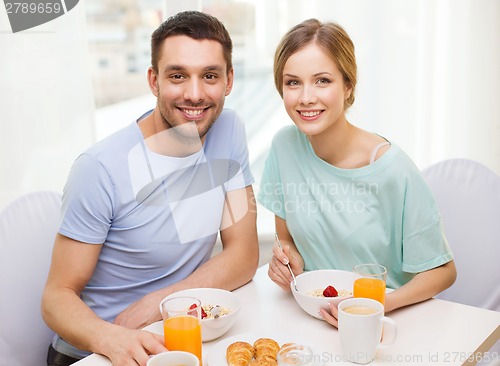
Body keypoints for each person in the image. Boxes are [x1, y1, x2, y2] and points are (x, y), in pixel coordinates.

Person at [42, 11, 259, 366]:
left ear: (229, 80)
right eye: (177, 76)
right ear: (153, 80)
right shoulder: (100, 168)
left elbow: (245, 255)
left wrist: (158, 304)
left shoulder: (228, 129)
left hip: (176, 337)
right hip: (95, 352)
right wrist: (112, 336)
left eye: (209, 76)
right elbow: (55, 297)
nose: (195, 94)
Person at [257, 19, 457, 327]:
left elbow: (444, 272)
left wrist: (378, 305)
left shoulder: (393, 169)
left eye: (322, 80)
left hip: (383, 323)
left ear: (348, 85)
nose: (306, 97)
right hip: (312, 318)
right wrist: (287, 263)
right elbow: (287, 241)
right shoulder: (284, 147)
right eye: (293, 82)